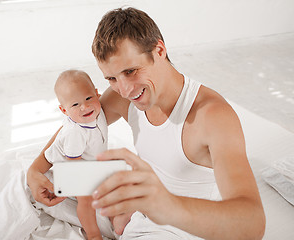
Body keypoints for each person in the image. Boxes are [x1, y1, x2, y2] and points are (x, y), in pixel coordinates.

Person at [28, 7, 266, 240]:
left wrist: (167, 206)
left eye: (131, 71)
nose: (124, 89)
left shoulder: (211, 116)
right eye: (112, 78)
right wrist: (36, 168)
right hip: (138, 201)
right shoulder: (126, 95)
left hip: (176, 226)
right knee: (32, 185)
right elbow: (78, 123)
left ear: (159, 50)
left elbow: (253, 224)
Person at [28, 69, 130, 239]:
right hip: (71, 165)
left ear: (97, 94)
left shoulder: (98, 114)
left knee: (114, 184)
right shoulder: (74, 132)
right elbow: (73, 163)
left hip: (89, 161)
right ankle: (93, 234)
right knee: (86, 200)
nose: (85, 106)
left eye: (88, 98)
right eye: (75, 105)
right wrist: (94, 178)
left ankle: (116, 217)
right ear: (64, 110)